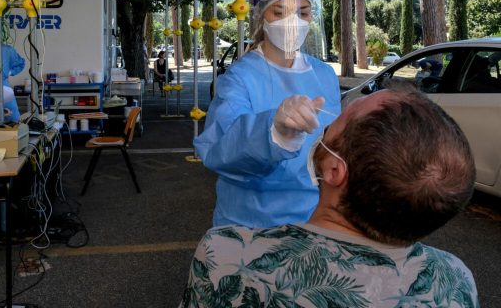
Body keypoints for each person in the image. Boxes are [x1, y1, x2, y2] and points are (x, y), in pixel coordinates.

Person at [181, 85, 478, 307]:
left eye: (339, 119)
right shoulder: (453, 279)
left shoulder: (228, 258)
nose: (326, 122)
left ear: (335, 170)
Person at [194, 0, 341, 228]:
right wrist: (273, 133)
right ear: (262, 15)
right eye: (280, 12)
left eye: (302, 12)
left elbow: (335, 149)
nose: (293, 21)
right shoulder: (240, 77)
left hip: (316, 219)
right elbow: (220, 148)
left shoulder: (324, 75)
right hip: (251, 223)